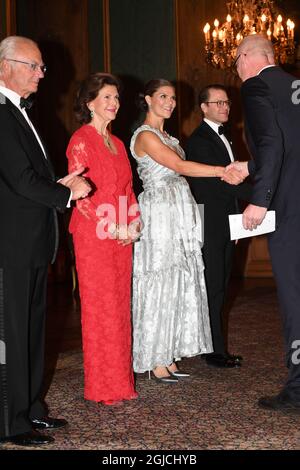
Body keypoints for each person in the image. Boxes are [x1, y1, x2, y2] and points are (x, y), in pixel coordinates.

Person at [0, 36, 91, 446]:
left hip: (33, 241)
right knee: (14, 334)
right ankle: (12, 421)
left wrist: (59, 184)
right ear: (5, 65)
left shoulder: (23, 113)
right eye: (33, 66)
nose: (41, 74)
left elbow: (29, 179)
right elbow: (18, 180)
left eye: (41, 67)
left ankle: (32, 408)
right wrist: (67, 194)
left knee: (34, 329)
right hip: (11, 245)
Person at [130, 79, 245, 383]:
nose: (169, 102)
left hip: (180, 211)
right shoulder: (145, 135)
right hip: (160, 212)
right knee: (159, 281)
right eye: (163, 96)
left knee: (177, 282)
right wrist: (223, 170)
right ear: (148, 99)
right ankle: (154, 358)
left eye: (172, 97)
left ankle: (167, 355)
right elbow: (179, 167)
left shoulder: (169, 135)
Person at [231, 34, 300, 413]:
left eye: (236, 61)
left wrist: (259, 199)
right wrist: (251, 166)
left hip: (291, 212)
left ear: (248, 58)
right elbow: (291, 147)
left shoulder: (257, 85)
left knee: (295, 299)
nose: (237, 69)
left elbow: (273, 143)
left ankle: (299, 388)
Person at [66, 73, 140, 405]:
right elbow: (80, 197)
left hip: (122, 235)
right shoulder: (80, 140)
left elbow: (127, 189)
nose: (114, 104)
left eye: (117, 98)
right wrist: (113, 228)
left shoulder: (119, 143)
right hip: (94, 235)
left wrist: (134, 225)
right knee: (100, 309)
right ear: (89, 102)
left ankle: (122, 383)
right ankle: (102, 386)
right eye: (106, 97)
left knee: (120, 308)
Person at [185, 84, 252, 368]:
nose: (225, 107)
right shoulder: (199, 140)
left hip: (225, 220)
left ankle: (213, 346)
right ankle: (213, 350)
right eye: (218, 103)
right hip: (210, 222)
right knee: (213, 286)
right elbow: (219, 185)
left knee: (221, 284)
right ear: (204, 108)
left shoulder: (227, 136)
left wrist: (237, 220)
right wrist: (260, 199)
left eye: (227, 102)